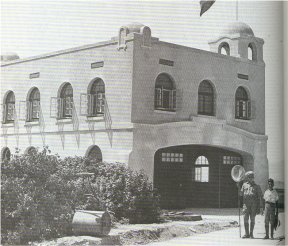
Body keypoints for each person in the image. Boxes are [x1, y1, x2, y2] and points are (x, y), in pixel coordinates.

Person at [239, 171, 263, 239]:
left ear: (253, 178)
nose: (251, 178)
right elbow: (241, 194)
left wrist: (261, 207)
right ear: (247, 178)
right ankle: (247, 234)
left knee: (252, 219)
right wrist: (238, 186)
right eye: (249, 177)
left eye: (252, 177)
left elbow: (260, 197)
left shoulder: (257, 186)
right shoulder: (244, 185)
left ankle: (251, 233)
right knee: (245, 219)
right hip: (246, 205)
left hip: (253, 205)